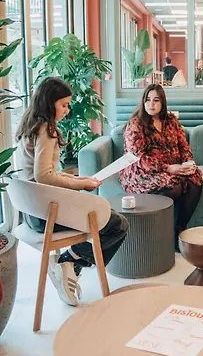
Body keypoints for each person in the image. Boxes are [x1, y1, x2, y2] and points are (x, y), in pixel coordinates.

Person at [15, 77, 129, 306]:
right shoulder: (46, 130)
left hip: (32, 213)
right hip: (45, 216)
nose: (67, 110)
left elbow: (45, 174)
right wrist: (81, 185)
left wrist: (80, 179)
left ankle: (70, 264)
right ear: (49, 103)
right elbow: (44, 176)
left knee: (111, 221)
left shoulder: (29, 125)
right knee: (118, 225)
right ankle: (70, 261)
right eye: (64, 105)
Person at [119, 84, 203, 246]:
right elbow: (138, 158)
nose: (151, 104)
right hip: (143, 170)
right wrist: (169, 168)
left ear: (162, 103)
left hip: (174, 166)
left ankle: (179, 229)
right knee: (173, 187)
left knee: (195, 180)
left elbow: (183, 146)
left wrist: (188, 162)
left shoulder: (171, 120)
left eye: (156, 100)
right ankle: (157, 233)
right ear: (143, 102)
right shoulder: (136, 124)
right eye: (148, 100)